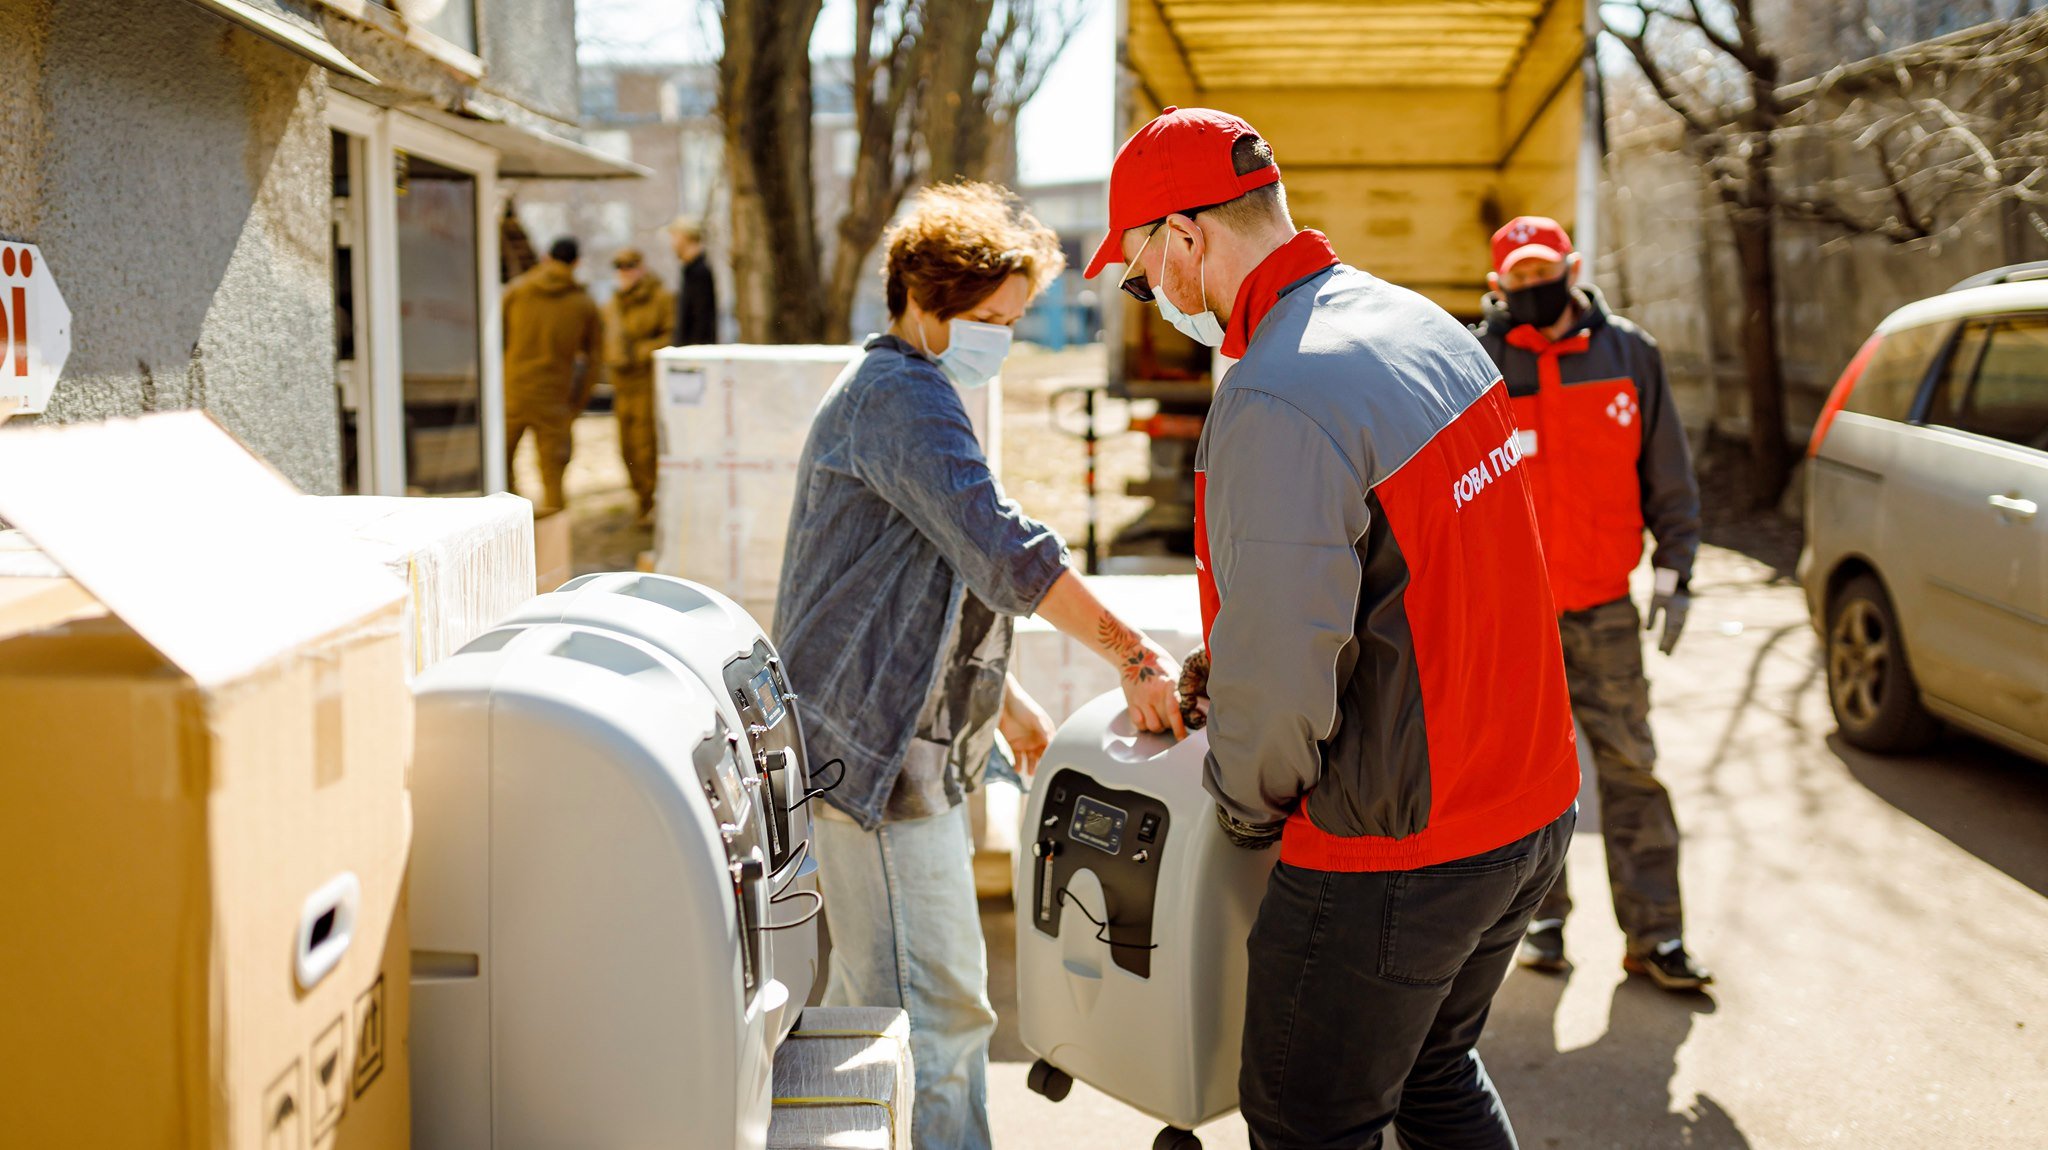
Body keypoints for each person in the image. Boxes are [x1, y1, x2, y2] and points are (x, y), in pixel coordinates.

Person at [1084, 107, 1579, 1150]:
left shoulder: (1274, 392)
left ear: (1185, 235)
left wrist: (1241, 803)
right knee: (1438, 1076)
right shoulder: (1420, 328)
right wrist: (1239, 654)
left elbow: (1279, 696)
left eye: (1139, 273)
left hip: (1394, 850)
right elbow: (1416, 568)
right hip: (1525, 808)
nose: (1152, 296)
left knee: (1308, 1122)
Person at [774, 181, 1186, 1150]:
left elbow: (923, 578)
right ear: (923, 302)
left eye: (1010, 318)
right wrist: (1131, 654)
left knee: (868, 1004)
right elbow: (1002, 551)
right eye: (988, 319)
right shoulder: (899, 394)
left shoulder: (910, 389)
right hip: (876, 758)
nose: (999, 338)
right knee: (936, 1009)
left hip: (882, 737)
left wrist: (1004, 705)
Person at [1473, 217, 1712, 992]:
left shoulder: (1628, 354)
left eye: (1543, 271)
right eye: (1516, 279)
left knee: (1631, 769)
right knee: (1525, 779)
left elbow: (1667, 470)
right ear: (1498, 285)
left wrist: (1675, 571)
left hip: (1605, 608)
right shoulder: (1477, 363)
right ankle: (1539, 924)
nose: (1531, 288)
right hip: (1515, 618)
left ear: (1572, 268)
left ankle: (1656, 937)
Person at [503, 237, 604, 512]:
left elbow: (496, 341)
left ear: (546, 257)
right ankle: (553, 544)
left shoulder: (516, 292)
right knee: (553, 476)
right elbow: (594, 360)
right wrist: (576, 404)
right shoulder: (584, 304)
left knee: (501, 467)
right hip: (554, 399)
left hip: (512, 392)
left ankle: (508, 528)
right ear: (577, 263)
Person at [600, 247, 673, 526]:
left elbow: (670, 335)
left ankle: (652, 505)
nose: (624, 273)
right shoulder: (613, 304)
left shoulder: (660, 298)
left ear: (641, 268)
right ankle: (641, 502)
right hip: (621, 383)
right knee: (626, 446)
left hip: (646, 381)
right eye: (620, 267)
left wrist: (640, 352)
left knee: (645, 446)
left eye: (630, 266)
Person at [665, 217, 718, 346]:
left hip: (694, 353)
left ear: (686, 237)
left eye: (675, 237)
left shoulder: (699, 272)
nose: (672, 243)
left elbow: (702, 318)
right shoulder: (690, 271)